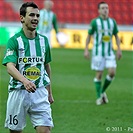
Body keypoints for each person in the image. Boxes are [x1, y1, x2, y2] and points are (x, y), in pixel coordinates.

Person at [2, 2, 54, 133]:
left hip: (40, 92)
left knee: (45, 131)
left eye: (37, 15)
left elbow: (46, 65)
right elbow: (10, 67)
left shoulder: (44, 41)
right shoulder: (14, 41)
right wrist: (25, 81)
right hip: (18, 92)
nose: (35, 18)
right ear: (22, 18)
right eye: (31, 15)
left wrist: (49, 92)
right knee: (15, 131)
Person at [84, 1, 122, 105]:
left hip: (109, 52)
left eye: (106, 8)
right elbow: (89, 36)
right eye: (103, 8)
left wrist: (119, 49)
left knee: (112, 72)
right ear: (99, 10)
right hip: (98, 53)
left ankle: (101, 92)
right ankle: (99, 97)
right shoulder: (95, 22)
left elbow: (116, 36)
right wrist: (86, 49)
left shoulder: (112, 22)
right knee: (99, 75)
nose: (105, 10)